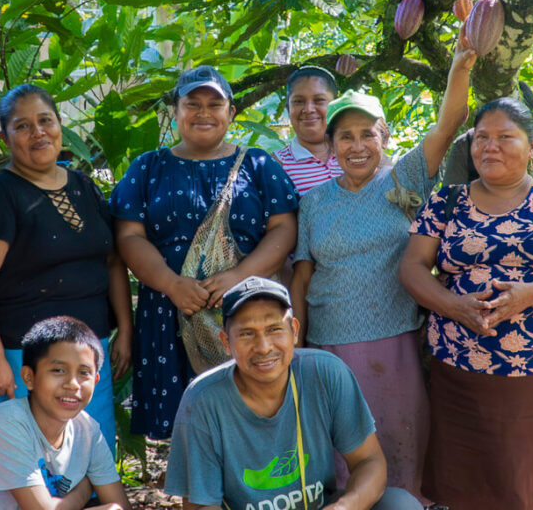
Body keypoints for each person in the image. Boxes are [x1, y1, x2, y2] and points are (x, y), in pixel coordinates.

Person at [289, 37, 475, 501]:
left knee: (401, 443)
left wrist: (461, 62)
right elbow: (303, 276)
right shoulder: (313, 203)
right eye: (345, 137)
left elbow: (448, 123)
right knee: (341, 451)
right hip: (330, 346)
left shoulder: (404, 178)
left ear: (384, 137)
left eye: (366, 134)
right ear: (330, 145)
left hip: (396, 340)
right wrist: (294, 343)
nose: (356, 146)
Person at [399, 98, 533, 508]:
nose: (489, 147)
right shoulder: (447, 201)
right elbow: (413, 268)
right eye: (481, 138)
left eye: (504, 137)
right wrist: (453, 306)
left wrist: (525, 295)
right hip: (462, 371)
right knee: (472, 485)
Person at [110, 66, 299, 439]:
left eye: (215, 104)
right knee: (187, 429)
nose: (203, 112)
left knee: (251, 417)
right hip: (169, 311)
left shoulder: (259, 164)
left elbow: (284, 229)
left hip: (243, 311)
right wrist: (171, 284)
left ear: (230, 113)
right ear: (174, 111)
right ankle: (197, 494)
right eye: (191, 104)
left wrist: (236, 279)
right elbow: (129, 237)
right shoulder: (147, 168)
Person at [0, 84, 132, 454]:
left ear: (60, 126)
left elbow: (113, 262)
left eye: (45, 121)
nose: (38, 132)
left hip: (90, 352)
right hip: (22, 359)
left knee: (91, 456)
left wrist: (126, 330)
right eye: (22, 126)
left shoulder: (85, 187)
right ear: (5, 137)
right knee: (26, 465)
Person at [165, 276, 422, 510]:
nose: (264, 347)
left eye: (274, 329)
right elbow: (200, 507)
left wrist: (346, 506)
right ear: (225, 343)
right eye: (246, 334)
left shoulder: (325, 372)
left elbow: (369, 462)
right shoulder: (202, 400)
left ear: (295, 331)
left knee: (399, 505)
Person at [0, 317, 131, 510]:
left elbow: (121, 503)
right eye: (58, 370)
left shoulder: (87, 430)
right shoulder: (8, 422)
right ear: (29, 377)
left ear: (96, 380)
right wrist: (84, 489)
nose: (72, 384)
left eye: (84, 373)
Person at [273, 66, 342, 195]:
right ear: (288, 108)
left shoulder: (355, 152)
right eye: (298, 101)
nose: (309, 109)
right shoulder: (277, 165)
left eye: (319, 100)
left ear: (336, 105)